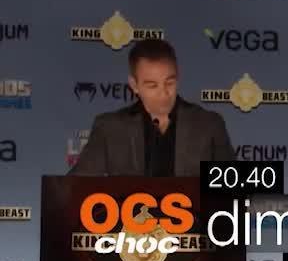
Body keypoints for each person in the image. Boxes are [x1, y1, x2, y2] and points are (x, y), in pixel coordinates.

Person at [69, 38, 234, 176]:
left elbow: (233, 188)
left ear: (178, 78)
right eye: (152, 85)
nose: (163, 93)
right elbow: (74, 187)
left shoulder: (209, 124)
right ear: (134, 85)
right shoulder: (109, 128)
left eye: (169, 83)